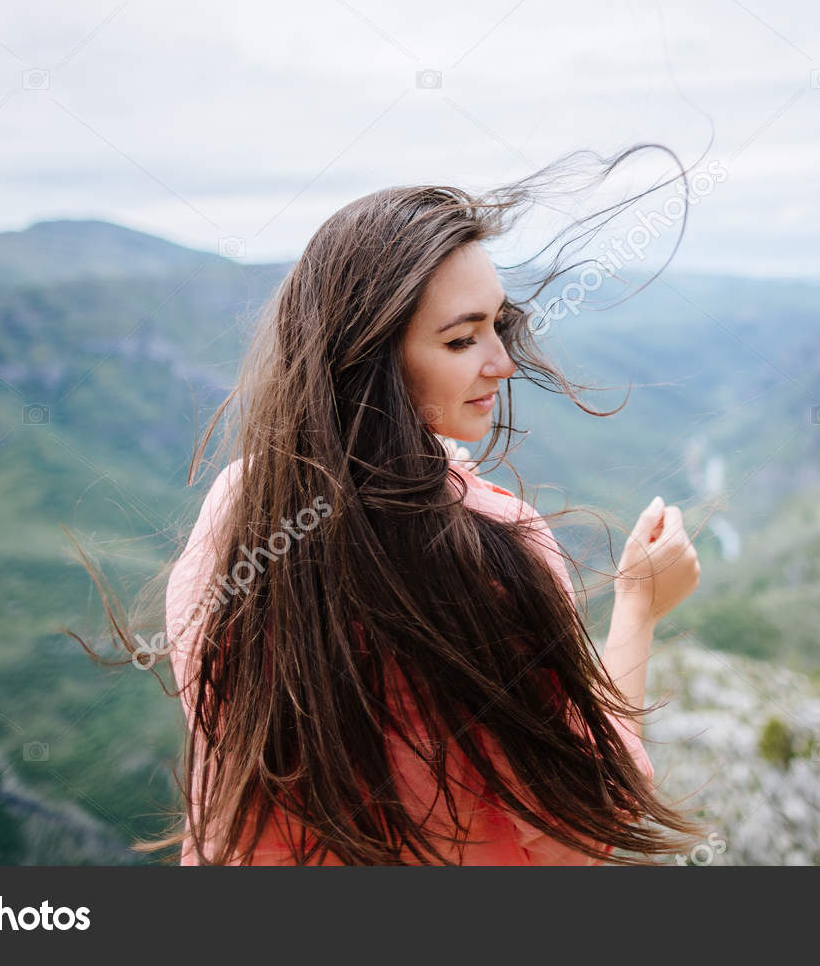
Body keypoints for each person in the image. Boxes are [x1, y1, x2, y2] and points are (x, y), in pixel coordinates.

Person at [76, 146, 713, 865]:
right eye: (461, 338)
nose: (502, 360)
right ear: (374, 356)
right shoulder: (491, 549)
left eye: (498, 325)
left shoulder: (243, 506)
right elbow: (587, 826)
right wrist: (638, 605)